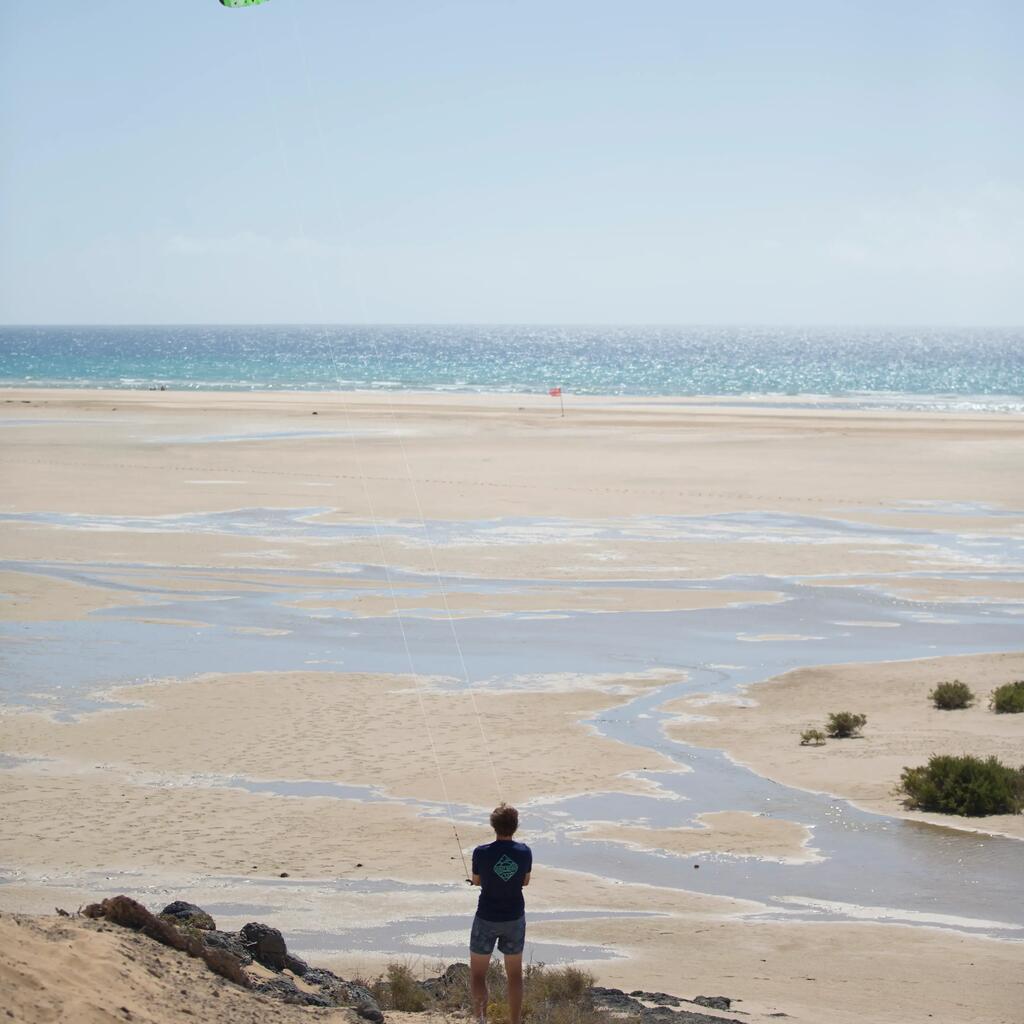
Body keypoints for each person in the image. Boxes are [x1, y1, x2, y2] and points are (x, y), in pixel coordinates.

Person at [469, 803, 532, 1024]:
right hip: (514, 917)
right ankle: (514, 1021)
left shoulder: (481, 852)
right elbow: (525, 881)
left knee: (478, 974)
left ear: (493, 826)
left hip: (486, 915)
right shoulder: (524, 851)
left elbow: (477, 881)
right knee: (514, 975)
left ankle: (481, 1020)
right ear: (515, 826)